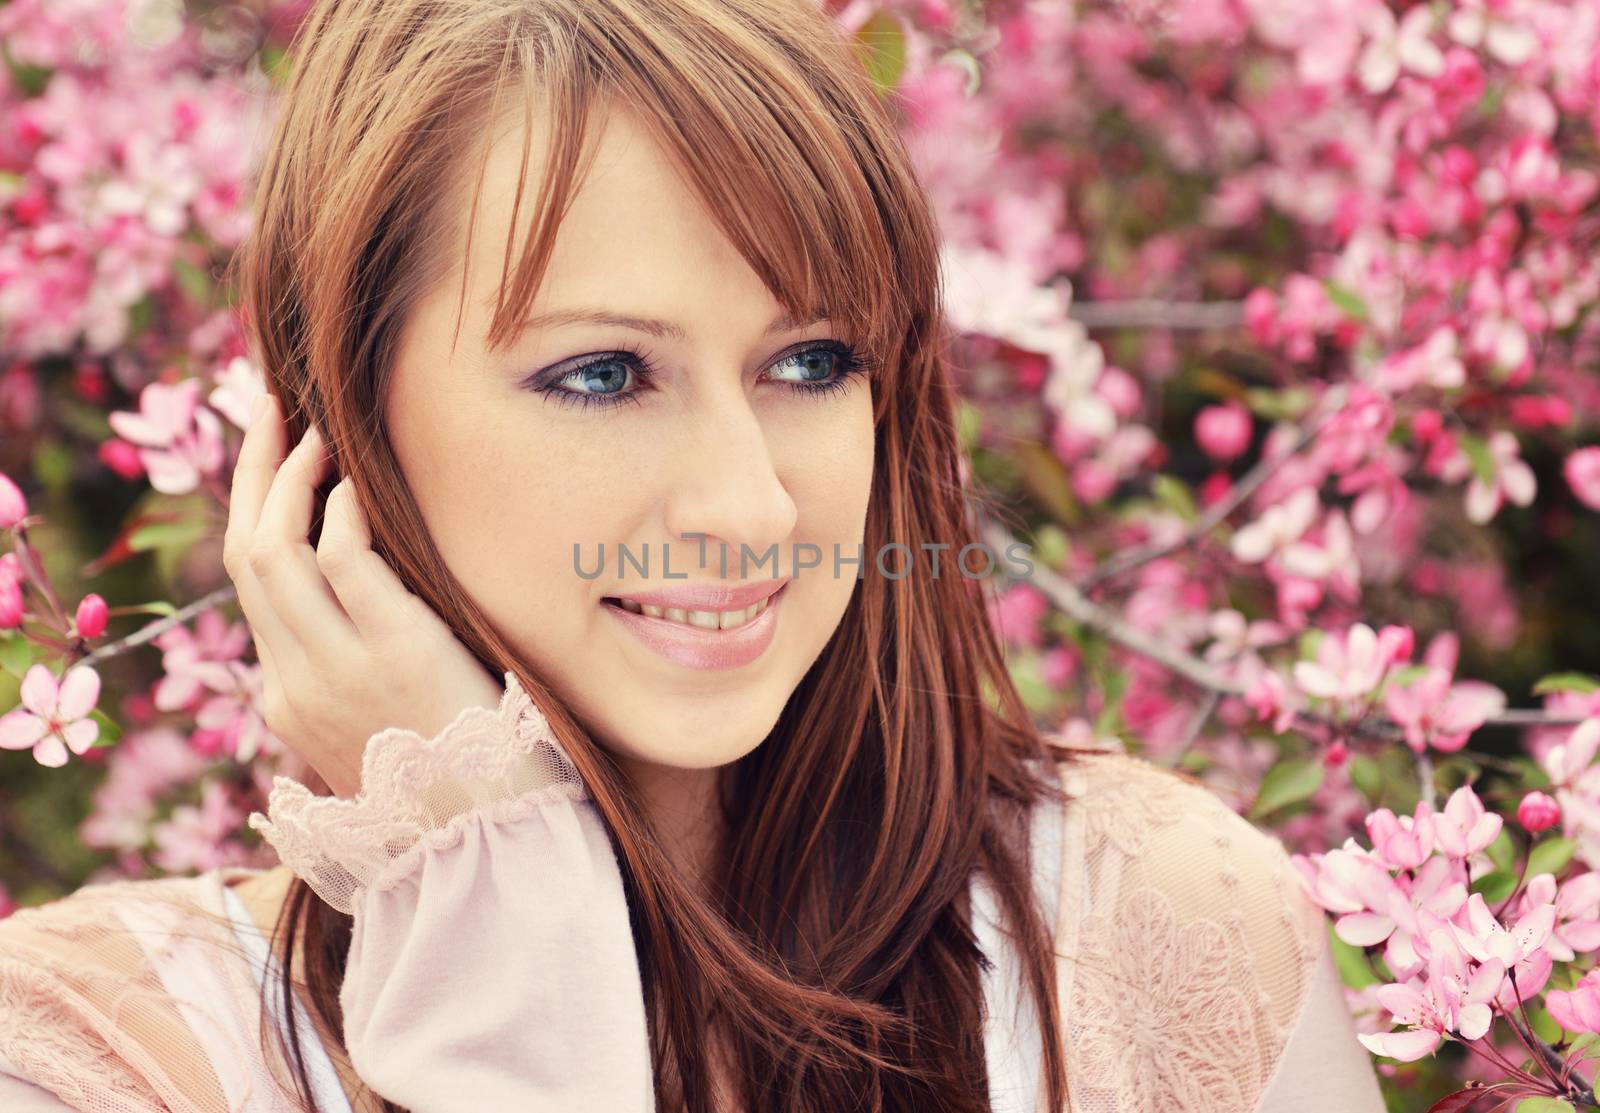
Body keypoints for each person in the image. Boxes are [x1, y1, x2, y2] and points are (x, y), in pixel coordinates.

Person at [0, 0, 1387, 1109]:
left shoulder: (1162, 936)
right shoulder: (103, 1053)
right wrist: (492, 920)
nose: (752, 507)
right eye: (603, 373)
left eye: (811, 358)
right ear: (337, 423)